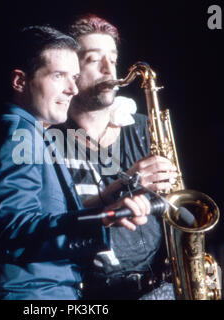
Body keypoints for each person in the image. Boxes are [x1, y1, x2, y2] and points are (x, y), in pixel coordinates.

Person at [0, 25, 152, 300]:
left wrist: (108, 206)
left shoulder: (33, 131)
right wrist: (106, 217)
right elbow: (12, 231)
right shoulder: (18, 134)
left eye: (74, 77)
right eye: (59, 76)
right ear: (19, 81)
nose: (72, 89)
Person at [56, 14, 179, 300]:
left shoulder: (144, 128)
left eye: (112, 57)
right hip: (88, 295)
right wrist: (128, 183)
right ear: (71, 71)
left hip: (158, 290)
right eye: (92, 59)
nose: (108, 69)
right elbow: (53, 222)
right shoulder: (49, 138)